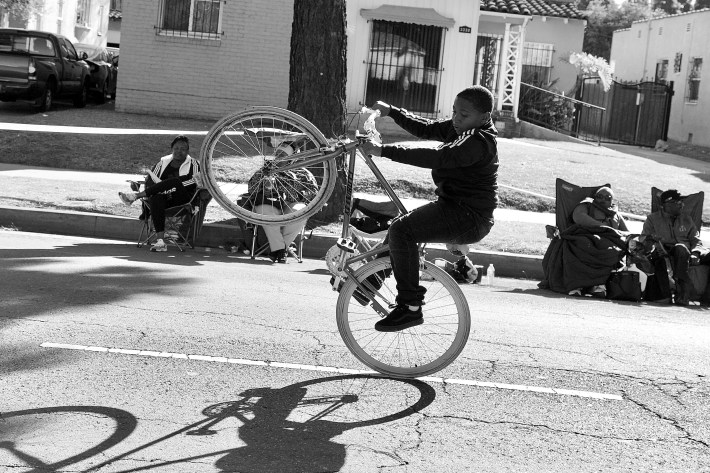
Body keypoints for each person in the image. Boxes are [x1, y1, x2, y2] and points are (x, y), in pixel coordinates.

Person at [359, 85, 498, 332]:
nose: (455, 118)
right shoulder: (461, 129)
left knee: (403, 230)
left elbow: (437, 157)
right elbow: (425, 128)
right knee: (399, 228)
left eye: (463, 115)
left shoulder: (479, 141)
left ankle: (410, 307)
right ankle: (369, 283)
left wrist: (383, 151)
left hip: (469, 217)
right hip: (455, 208)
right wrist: (392, 111)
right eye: (454, 111)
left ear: (484, 117)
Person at [118, 135, 201, 252]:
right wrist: (162, 189)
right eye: (176, 148)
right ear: (172, 149)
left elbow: (194, 182)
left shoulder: (194, 164)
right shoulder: (162, 163)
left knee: (175, 182)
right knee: (156, 198)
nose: (179, 151)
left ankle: (135, 196)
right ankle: (160, 242)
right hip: (164, 199)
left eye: (183, 149)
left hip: (182, 199)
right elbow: (152, 181)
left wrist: (170, 188)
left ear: (188, 151)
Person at [642, 189, 710, 306]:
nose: (682, 206)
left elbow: (696, 240)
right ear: (667, 205)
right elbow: (643, 238)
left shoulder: (687, 219)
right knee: (680, 248)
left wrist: (696, 253)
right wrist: (651, 239)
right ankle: (683, 291)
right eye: (678, 203)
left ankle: (707, 296)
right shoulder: (652, 219)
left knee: (686, 249)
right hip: (667, 251)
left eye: (682, 203)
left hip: (690, 252)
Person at [244, 164, 318, 264]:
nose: (283, 157)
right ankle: (281, 251)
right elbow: (251, 190)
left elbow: (314, 194)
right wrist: (265, 185)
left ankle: (277, 250)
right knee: (267, 214)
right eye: (280, 153)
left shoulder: (303, 173)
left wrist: (289, 187)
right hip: (268, 203)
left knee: (300, 212)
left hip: (292, 204)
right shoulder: (266, 170)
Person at [568, 186, 629, 298]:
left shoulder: (616, 215)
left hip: (609, 242)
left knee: (611, 250)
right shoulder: (587, 205)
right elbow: (578, 217)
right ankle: (577, 285)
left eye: (607, 197)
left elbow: (626, 233)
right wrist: (602, 227)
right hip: (587, 237)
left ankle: (598, 286)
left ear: (612, 201)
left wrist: (613, 233)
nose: (603, 199)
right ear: (595, 197)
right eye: (599, 196)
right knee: (583, 245)